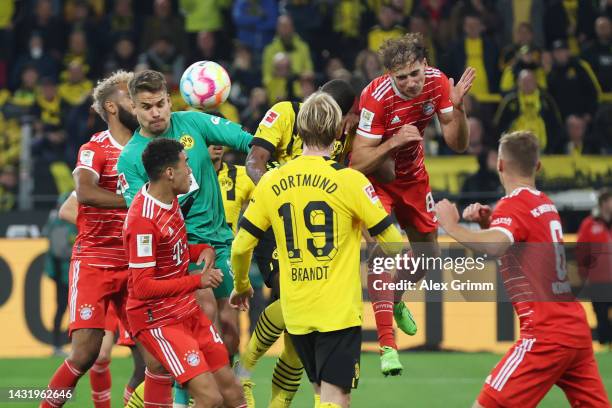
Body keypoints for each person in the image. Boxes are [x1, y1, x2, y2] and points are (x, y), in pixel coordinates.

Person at [230, 92, 404, 408]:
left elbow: (241, 246)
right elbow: (393, 243)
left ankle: (250, 373)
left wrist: (242, 286)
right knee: (336, 399)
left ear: (299, 128)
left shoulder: (272, 181)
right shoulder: (351, 180)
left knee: (321, 395)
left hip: (296, 312)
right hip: (337, 313)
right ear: (338, 132)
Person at [435, 131, 610, 408]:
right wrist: (487, 225)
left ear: (500, 165)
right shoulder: (545, 203)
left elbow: (495, 247)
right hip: (574, 330)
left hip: (545, 334)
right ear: (537, 166)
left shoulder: (514, 205)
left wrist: (451, 225)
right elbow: (518, 252)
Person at [117, 69, 252, 406]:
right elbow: (150, 214)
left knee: (231, 331)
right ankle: (185, 397)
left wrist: (268, 155)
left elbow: (246, 140)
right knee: (203, 313)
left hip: (217, 241)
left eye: (161, 103)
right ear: (134, 108)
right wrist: (192, 261)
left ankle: (209, 386)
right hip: (177, 256)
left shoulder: (192, 122)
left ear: (169, 99)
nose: (156, 112)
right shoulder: (132, 158)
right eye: (146, 107)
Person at [349, 33, 474, 371]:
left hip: (414, 179)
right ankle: (387, 347)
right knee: (382, 254)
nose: (409, 83)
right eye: (400, 77)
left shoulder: (436, 83)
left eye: (414, 73)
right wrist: (393, 143)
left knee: (428, 260)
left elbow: (457, 144)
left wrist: (459, 108)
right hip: (376, 180)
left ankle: (396, 298)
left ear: (425, 66)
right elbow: (357, 162)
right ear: (389, 75)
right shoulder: (375, 97)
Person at [40, 71, 143, 408]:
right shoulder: (94, 147)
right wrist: (135, 202)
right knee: (86, 354)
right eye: (131, 97)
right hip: (96, 261)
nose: (139, 104)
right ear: (112, 106)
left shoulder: (150, 147)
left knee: (152, 360)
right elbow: (83, 192)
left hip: (137, 263)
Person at [577, 189, 612, 351]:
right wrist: (585, 275)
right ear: (604, 203)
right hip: (599, 281)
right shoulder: (589, 224)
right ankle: (605, 345)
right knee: (602, 316)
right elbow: (582, 252)